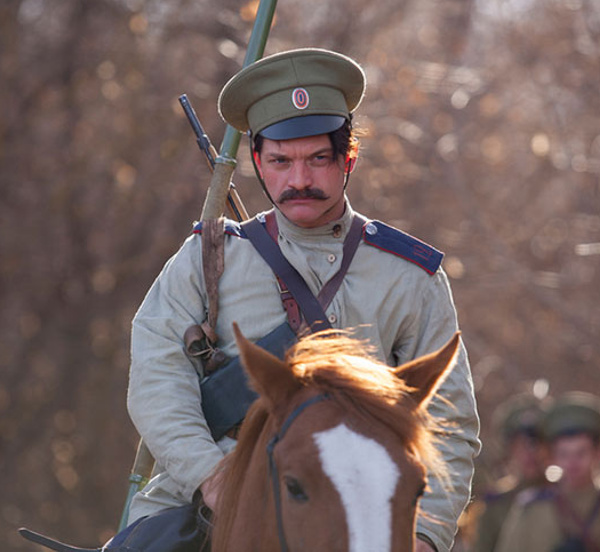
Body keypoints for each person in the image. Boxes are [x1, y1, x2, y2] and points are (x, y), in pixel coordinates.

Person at [126, 48, 480, 552]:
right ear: (257, 162)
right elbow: (156, 380)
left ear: (348, 159)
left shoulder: (411, 277)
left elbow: (450, 424)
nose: (298, 181)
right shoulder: (208, 259)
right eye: (280, 162)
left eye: (318, 159)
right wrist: (211, 476)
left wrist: (425, 534)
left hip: (359, 523)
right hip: (204, 510)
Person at [495, 391, 600, 552]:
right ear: (552, 456)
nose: (573, 463)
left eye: (581, 453)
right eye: (564, 454)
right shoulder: (531, 509)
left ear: (596, 453)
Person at [471, 394, 549, 552]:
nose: (530, 453)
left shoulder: (566, 496)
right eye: (521, 445)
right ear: (510, 449)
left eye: (536, 444)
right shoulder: (494, 505)